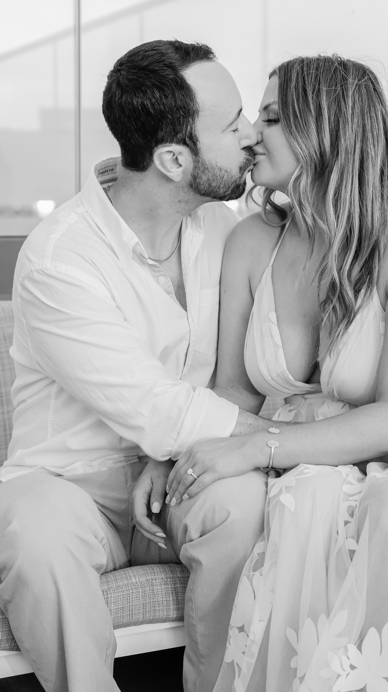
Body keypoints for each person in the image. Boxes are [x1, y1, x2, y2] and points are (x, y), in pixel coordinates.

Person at [158, 55, 388, 691]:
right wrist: (181, 451)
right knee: (304, 500)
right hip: (301, 445)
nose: (252, 133)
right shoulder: (251, 243)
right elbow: (232, 389)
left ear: (326, 130)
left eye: (271, 117)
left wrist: (257, 447)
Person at [0, 40, 272, 692]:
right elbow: (157, 407)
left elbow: (240, 371)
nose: (252, 134)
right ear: (175, 160)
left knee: (241, 503)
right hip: (71, 484)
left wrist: (177, 456)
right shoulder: (61, 258)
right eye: (233, 123)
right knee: (35, 536)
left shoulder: (228, 230)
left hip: (178, 469)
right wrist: (290, 438)